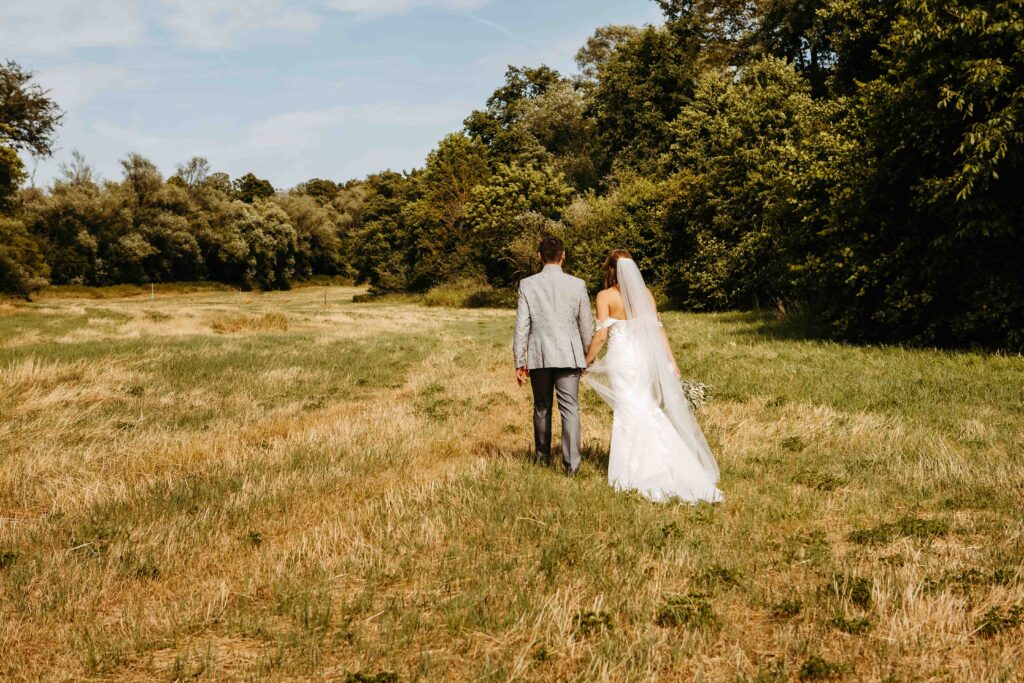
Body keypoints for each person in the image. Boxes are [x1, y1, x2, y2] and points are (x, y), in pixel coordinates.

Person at [584, 249, 723, 503]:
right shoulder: (645, 295)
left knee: (628, 411)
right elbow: (658, 330)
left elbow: (602, 335)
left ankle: (633, 472)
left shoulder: (605, 296)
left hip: (622, 361)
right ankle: (664, 461)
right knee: (646, 407)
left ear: (610, 270)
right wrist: (672, 360)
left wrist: (587, 360)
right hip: (644, 360)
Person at [512, 236, 594, 475]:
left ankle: (542, 458)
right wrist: (589, 356)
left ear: (539, 256)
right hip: (569, 354)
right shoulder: (577, 284)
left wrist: (519, 360)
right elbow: (586, 324)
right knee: (570, 409)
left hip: (539, 354)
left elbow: (521, 325)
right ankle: (572, 466)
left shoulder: (527, 284)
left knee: (541, 407)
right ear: (563, 255)